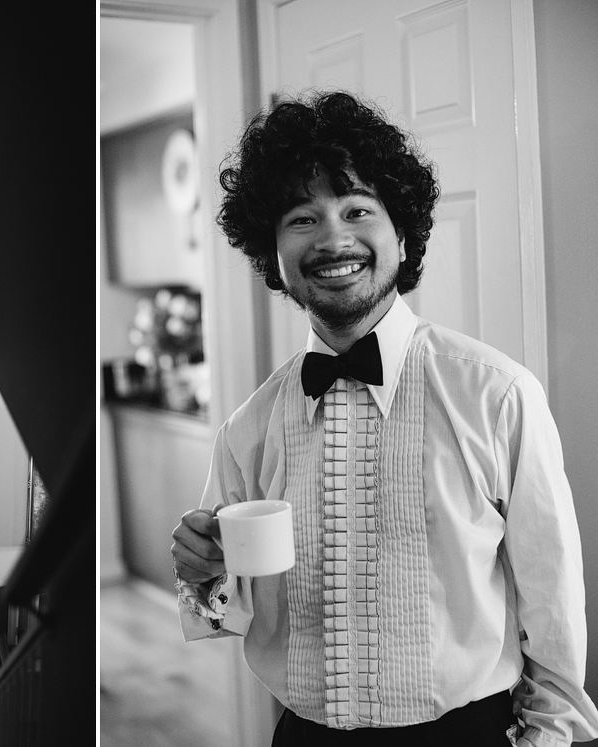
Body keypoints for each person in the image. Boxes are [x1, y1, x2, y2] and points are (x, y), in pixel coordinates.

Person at [169, 90, 598, 747]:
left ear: (401, 232)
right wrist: (201, 574)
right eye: (302, 218)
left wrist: (550, 737)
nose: (333, 237)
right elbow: (225, 610)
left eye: (357, 209)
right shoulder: (246, 429)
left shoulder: (499, 395)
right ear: (274, 256)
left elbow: (553, 601)